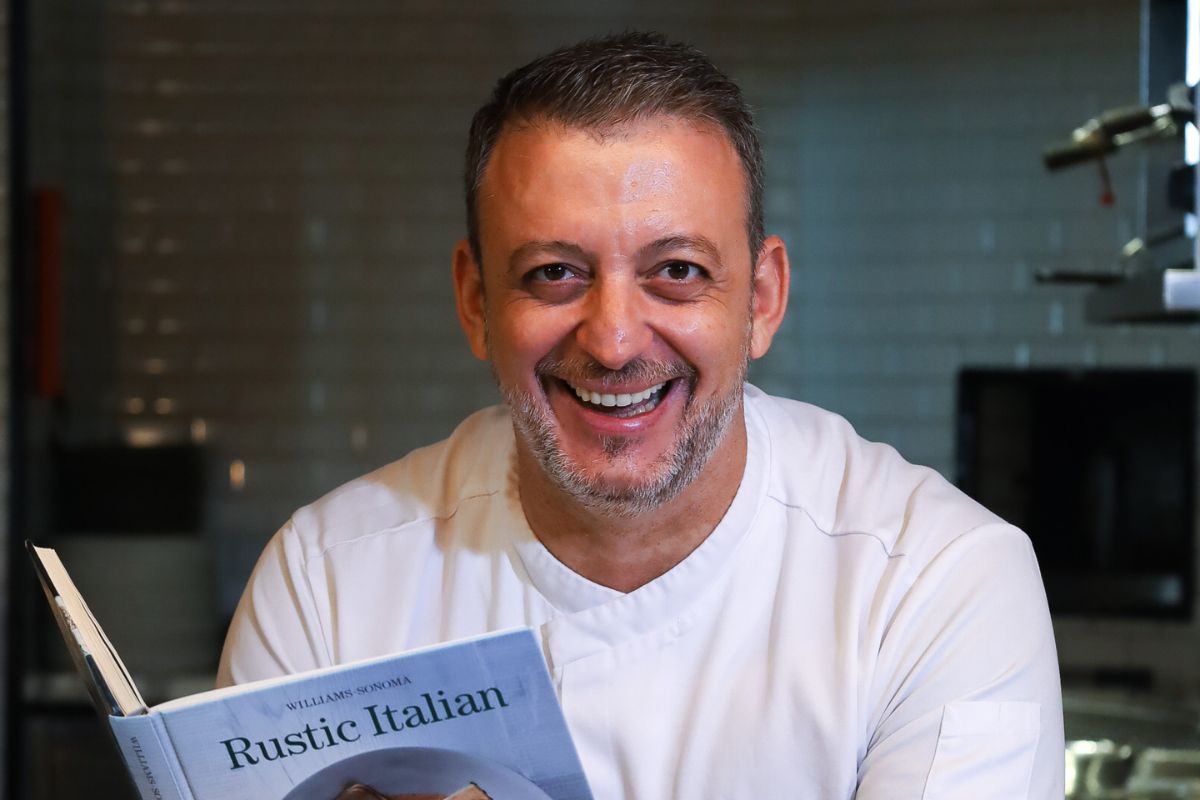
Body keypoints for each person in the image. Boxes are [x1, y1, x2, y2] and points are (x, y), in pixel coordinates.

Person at [218, 31, 1064, 798]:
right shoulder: (326, 583)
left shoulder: (938, 581)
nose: (615, 341)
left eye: (678, 271)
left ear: (762, 299)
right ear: (476, 302)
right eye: (554, 273)